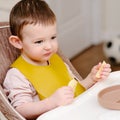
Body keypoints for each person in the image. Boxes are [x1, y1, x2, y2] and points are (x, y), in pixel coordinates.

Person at [3, 0, 111, 119]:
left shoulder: (56, 60)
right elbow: (20, 111)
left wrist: (91, 78)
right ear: (17, 42)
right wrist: (51, 102)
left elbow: (73, 92)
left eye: (53, 37)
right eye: (39, 41)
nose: (49, 46)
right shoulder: (17, 75)